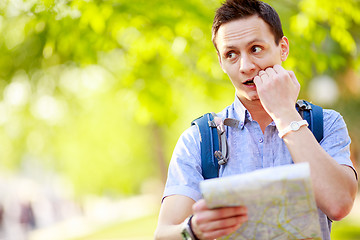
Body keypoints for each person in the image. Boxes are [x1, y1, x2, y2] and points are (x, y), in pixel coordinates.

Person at [154, 0, 358, 239]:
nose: (246, 66)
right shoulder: (198, 140)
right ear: (221, 62)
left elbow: (340, 204)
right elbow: (164, 233)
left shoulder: (326, 124)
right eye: (231, 54)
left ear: (282, 48)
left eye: (256, 49)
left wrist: (284, 113)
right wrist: (193, 230)